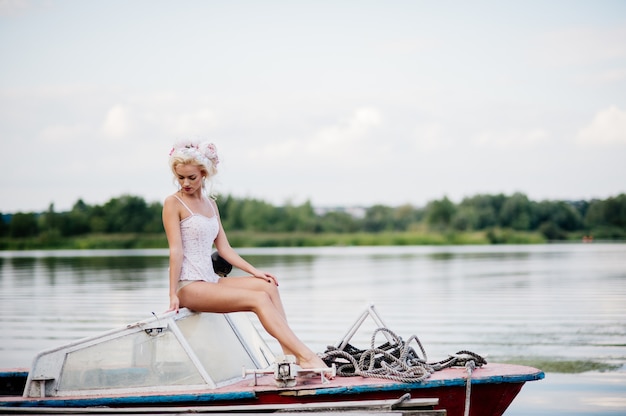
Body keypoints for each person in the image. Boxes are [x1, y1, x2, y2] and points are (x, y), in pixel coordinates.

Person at [162, 139, 330, 371]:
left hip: (211, 281)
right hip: (189, 285)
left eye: (192, 177)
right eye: (180, 177)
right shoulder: (173, 203)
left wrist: (256, 272)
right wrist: (172, 294)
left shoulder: (211, 205)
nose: (185, 183)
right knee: (258, 299)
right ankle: (308, 357)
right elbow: (176, 250)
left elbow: (225, 249)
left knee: (268, 286)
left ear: (204, 174)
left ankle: (290, 355)